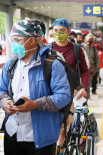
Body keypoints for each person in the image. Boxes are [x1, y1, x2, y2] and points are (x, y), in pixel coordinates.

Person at [0, 19, 71, 154]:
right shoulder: (10, 65)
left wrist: (35, 104)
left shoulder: (53, 65)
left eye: (18, 40)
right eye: (13, 40)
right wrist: (6, 102)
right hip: (12, 134)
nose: (14, 44)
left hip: (41, 139)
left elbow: (64, 96)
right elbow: (1, 91)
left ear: (32, 40)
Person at [51, 18, 89, 154]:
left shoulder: (77, 49)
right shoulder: (48, 49)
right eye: (56, 30)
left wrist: (83, 87)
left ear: (68, 31)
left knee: (64, 124)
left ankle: (59, 151)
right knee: (50, 123)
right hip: (50, 91)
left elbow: (84, 70)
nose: (59, 33)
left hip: (69, 91)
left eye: (62, 31)